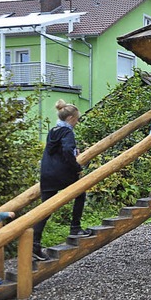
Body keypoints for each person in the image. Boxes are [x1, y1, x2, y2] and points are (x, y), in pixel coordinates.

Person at [33, 100, 91, 261]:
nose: (77, 122)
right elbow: (66, 150)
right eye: (77, 119)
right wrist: (77, 167)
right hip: (61, 173)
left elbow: (57, 150)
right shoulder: (67, 132)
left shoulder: (53, 130)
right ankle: (75, 227)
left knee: (46, 208)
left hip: (47, 174)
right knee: (80, 192)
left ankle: (35, 244)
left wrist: (73, 152)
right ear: (71, 117)